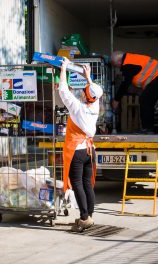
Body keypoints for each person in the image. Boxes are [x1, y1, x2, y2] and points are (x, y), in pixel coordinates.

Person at [58, 57, 103, 232]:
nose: (82, 92)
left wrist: (63, 69)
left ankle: (85, 218)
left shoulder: (77, 108)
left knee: (77, 184)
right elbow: (94, 93)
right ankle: (89, 214)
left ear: (85, 95)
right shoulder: (94, 106)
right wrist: (88, 77)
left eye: (84, 91)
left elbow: (63, 91)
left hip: (76, 151)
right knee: (87, 183)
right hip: (89, 151)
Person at [111, 51, 158, 134]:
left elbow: (125, 84)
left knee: (145, 100)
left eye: (115, 65)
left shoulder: (127, 64)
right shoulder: (130, 58)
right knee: (148, 102)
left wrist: (116, 100)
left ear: (119, 61)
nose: (116, 67)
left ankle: (147, 129)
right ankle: (149, 128)